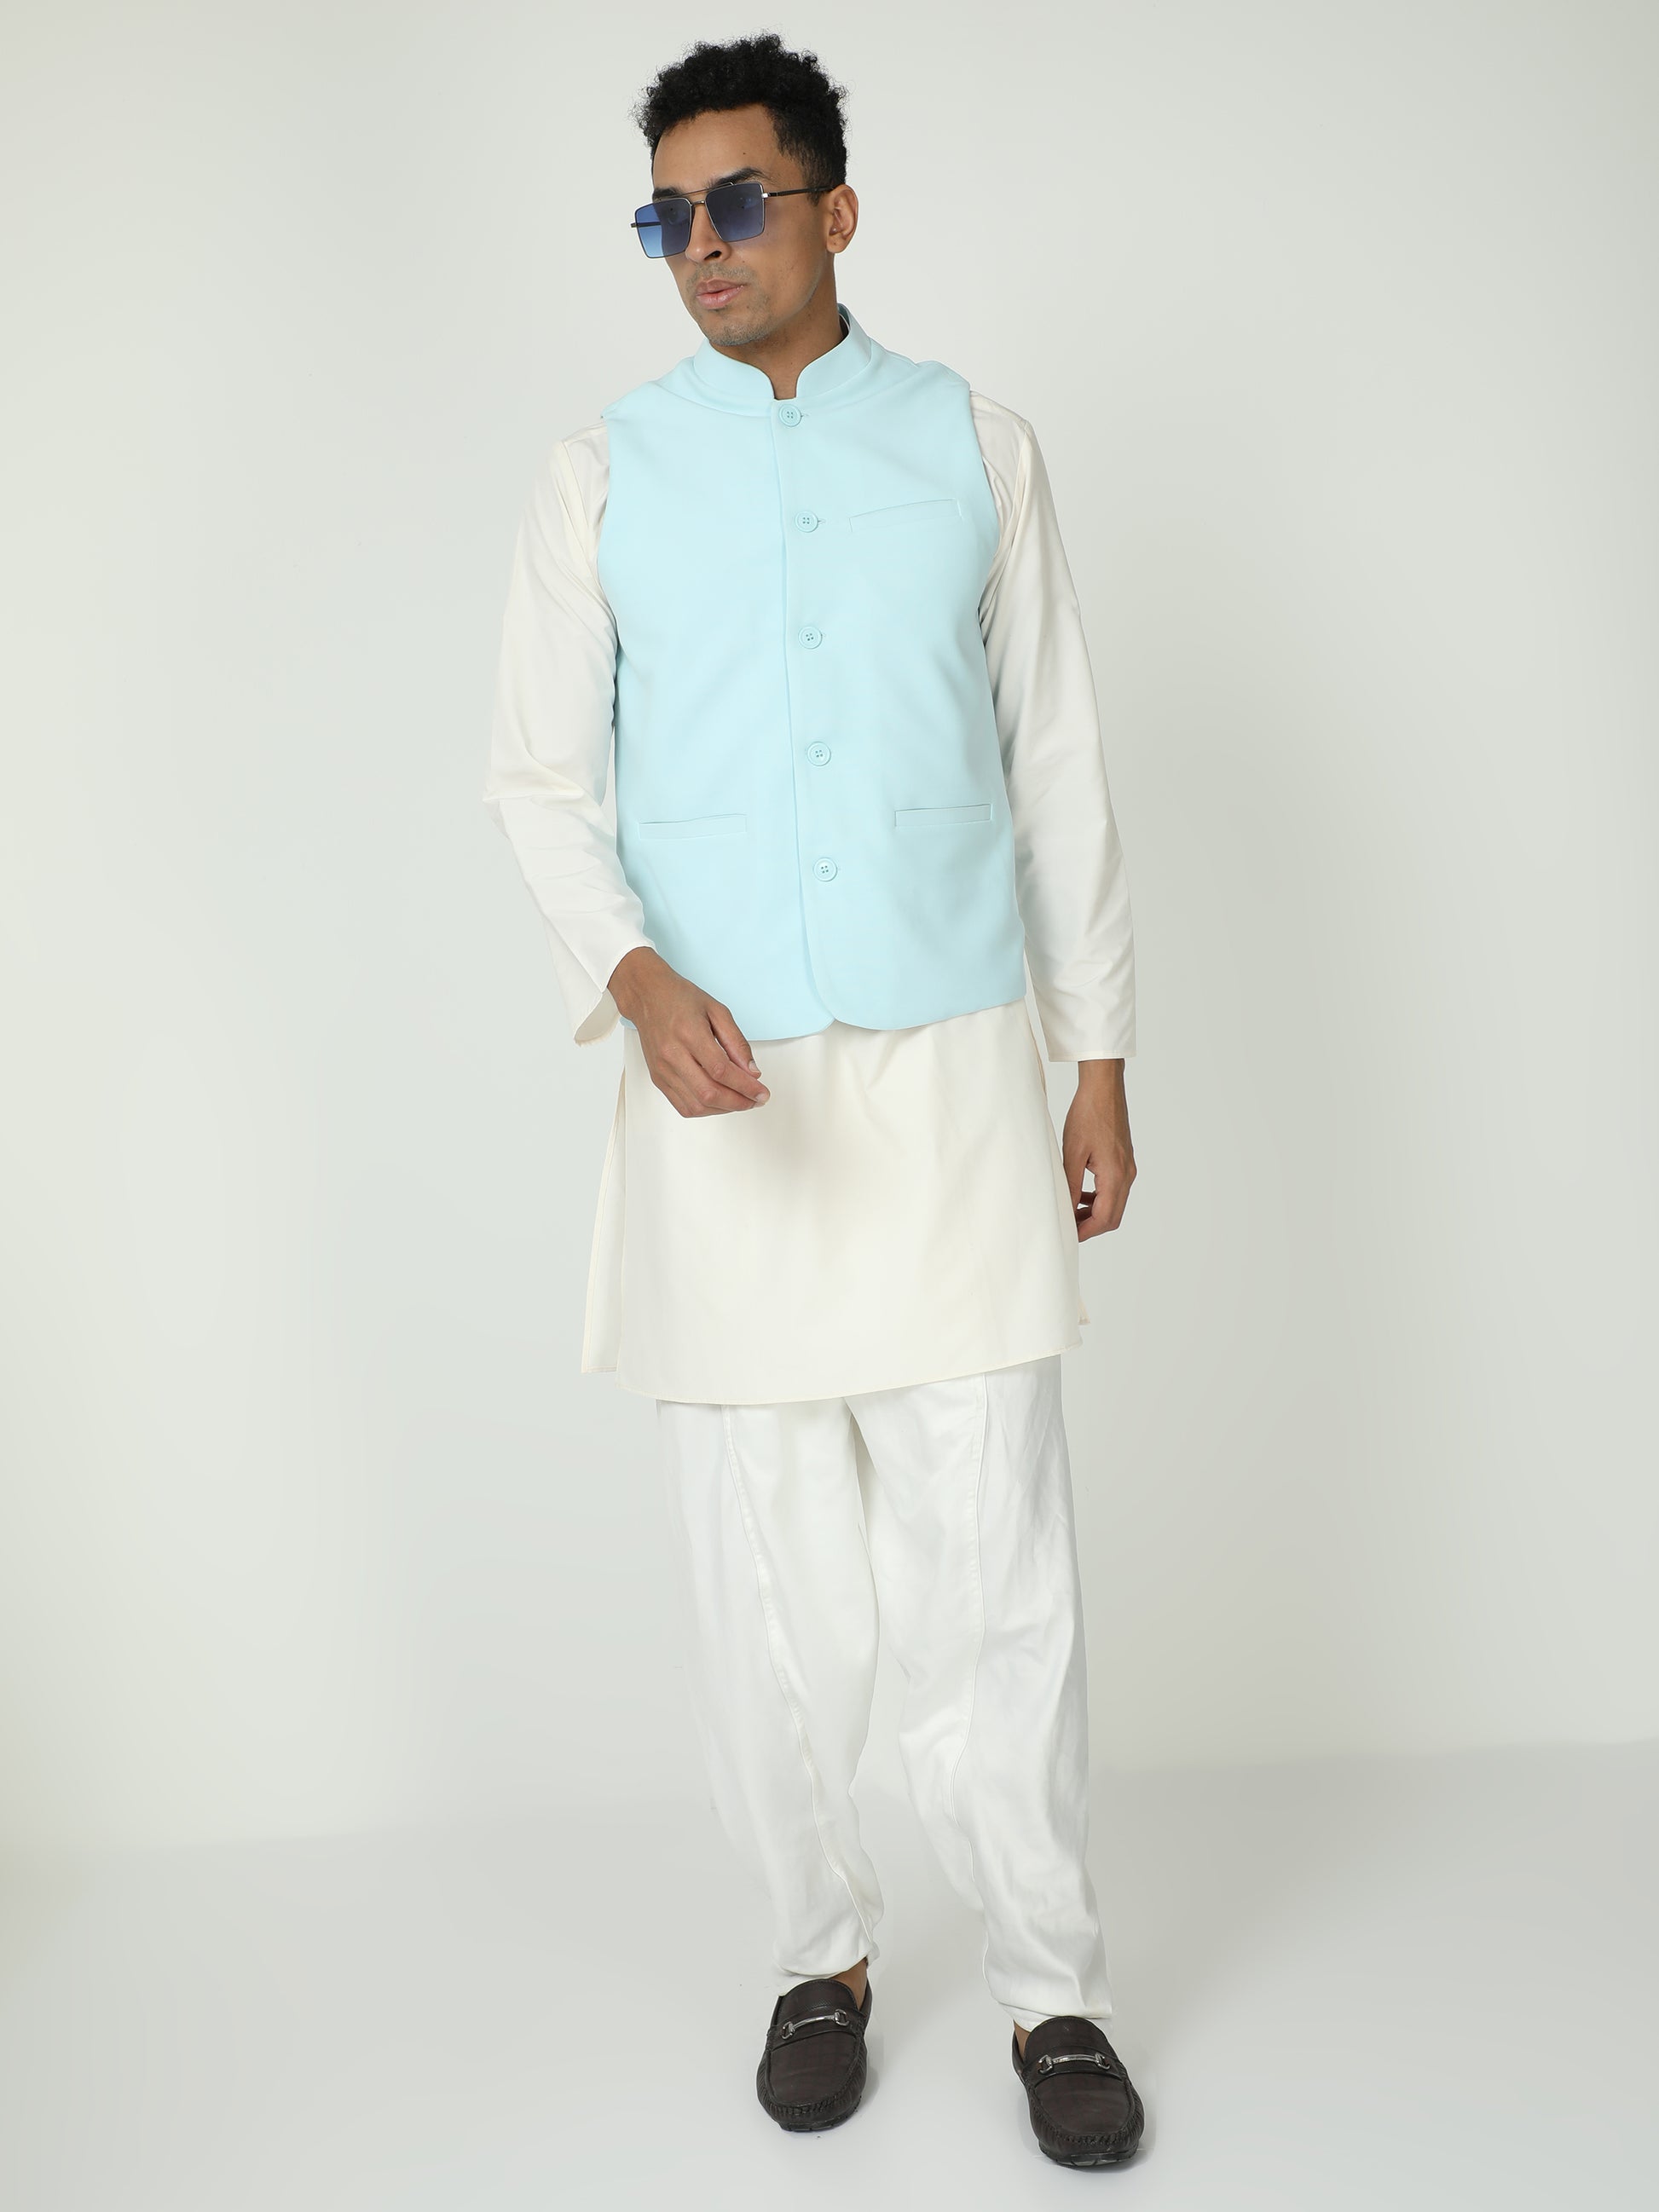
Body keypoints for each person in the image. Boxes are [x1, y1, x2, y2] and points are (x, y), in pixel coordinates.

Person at [482, 32, 1144, 2169]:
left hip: (952, 1072)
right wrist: (632, 970)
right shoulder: (598, 475)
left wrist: (1097, 1050)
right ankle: (819, 1954)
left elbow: (1055, 756)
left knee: (995, 1554)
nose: (702, 243)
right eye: (666, 214)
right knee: (765, 1566)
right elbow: (537, 780)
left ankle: (1049, 1984)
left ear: (833, 209)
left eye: (739, 200)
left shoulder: (974, 444)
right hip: (725, 1093)